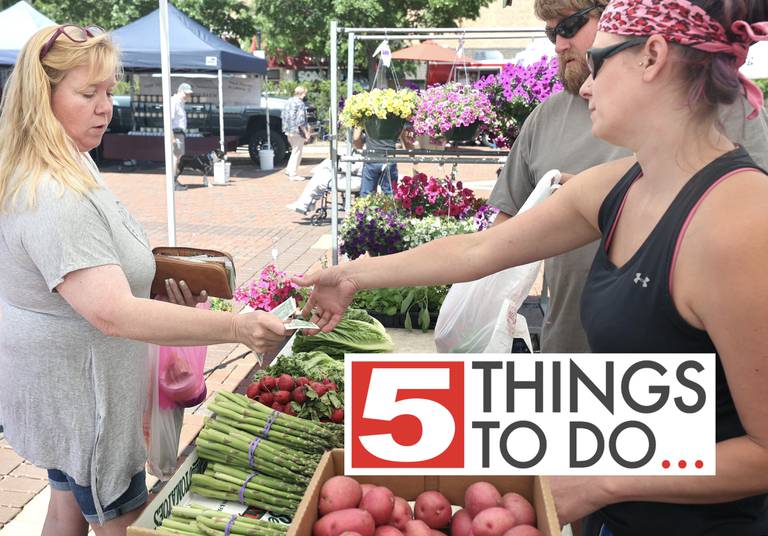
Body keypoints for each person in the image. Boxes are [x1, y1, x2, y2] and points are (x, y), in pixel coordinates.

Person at [295, 1, 768, 535]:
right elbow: (479, 252)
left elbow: (764, 450)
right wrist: (354, 274)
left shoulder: (741, 221)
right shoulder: (622, 185)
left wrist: (602, 481)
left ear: (652, 57)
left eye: (599, 64)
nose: (584, 87)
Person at [0, 25, 288, 536]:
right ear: (42, 97)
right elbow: (112, 313)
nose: (106, 107)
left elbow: (97, 279)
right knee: (123, 520)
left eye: (107, 90)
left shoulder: (66, 160)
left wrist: (151, 281)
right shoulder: (54, 193)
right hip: (86, 398)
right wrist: (238, 328)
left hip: (66, 386)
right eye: (88, 93)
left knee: (66, 504)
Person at [488, 0, 768, 354]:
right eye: (550, 32)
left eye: (568, 26)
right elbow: (492, 241)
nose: (558, 44)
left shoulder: (718, 109)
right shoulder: (546, 119)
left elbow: (750, 228)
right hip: (569, 361)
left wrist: (617, 202)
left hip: (681, 380)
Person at [281, 86, 310, 180]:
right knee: (297, 152)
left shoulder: (289, 101)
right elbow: (300, 120)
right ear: (302, 93)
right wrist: (306, 132)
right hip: (297, 131)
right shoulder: (300, 103)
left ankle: (289, 170)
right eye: (305, 93)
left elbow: (283, 115)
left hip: (288, 130)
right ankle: (293, 174)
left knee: (294, 150)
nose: (305, 95)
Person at [170, 82, 193, 191]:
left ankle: (174, 180)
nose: (188, 96)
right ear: (180, 92)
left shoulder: (180, 102)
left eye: (189, 94)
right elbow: (169, 120)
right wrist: (172, 137)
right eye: (186, 93)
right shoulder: (174, 102)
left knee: (178, 158)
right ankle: (173, 181)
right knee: (176, 158)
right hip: (176, 133)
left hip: (180, 134)